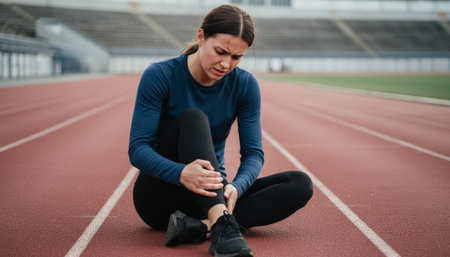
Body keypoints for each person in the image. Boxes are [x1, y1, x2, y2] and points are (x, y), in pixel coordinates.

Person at [129, 4, 313, 257]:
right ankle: (222, 225)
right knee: (193, 118)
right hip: (160, 197)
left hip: (210, 196)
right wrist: (182, 173)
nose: (226, 64)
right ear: (201, 36)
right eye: (220, 52)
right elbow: (137, 149)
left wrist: (236, 187)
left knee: (300, 184)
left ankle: (201, 227)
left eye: (236, 57)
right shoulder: (160, 75)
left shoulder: (245, 85)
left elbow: (253, 154)